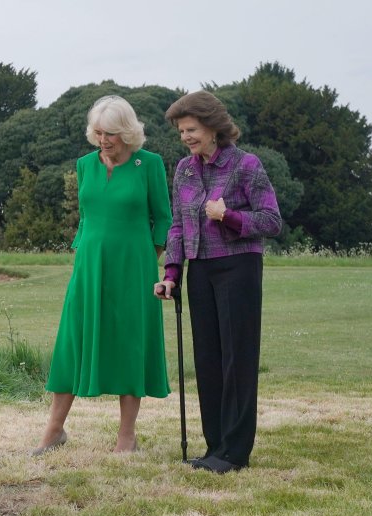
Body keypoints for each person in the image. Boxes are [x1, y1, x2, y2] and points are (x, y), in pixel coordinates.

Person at [33, 96, 172, 456]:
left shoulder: (149, 164)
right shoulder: (84, 165)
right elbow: (87, 217)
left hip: (135, 267)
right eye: (98, 132)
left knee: (130, 342)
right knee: (72, 342)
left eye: (111, 133)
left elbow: (164, 219)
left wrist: (149, 256)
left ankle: (126, 437)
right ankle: (54, 431)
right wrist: (83, 252)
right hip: (89, 267)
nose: (104, 140)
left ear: (127, 132)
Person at [154, 91, 281, 474]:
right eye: (181, 131)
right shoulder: (184, 170)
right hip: (201, 270)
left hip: (239, 266)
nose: (185, 137)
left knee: (236, 359)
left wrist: (230, 217)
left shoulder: (246, 165)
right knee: (207, 360)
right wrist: (172, 272)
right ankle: (215, 449)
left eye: (191, 129)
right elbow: (178, 224)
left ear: (212, 127)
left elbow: (271, 221)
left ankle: (235, 452)